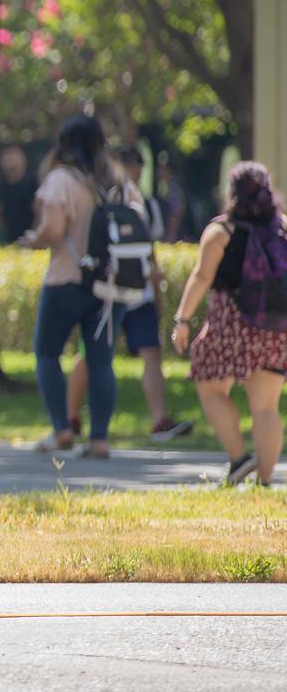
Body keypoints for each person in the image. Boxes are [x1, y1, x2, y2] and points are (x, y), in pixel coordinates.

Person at [64, 144, 193, 444]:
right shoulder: (97, 199)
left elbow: (149, 249)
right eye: (133, 164)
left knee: (149, 352)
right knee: (90, 355)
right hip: (107, 291)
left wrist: (156, 291)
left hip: (139, 293)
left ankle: (159, 420)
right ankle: (70, 419)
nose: (137, 171)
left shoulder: (144, 205)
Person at [168, 161, 287, 486]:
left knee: (209, 383)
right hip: (275, 326)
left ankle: (238, 458)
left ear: (232, 192)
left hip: (230, 324)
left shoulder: (221, 231)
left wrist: (182, 319)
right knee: (265, 406)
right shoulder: (282, 228)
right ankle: (264, 481)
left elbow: (203, 276)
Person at [22, 114, 119, 457]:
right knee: (100, 361)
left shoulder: (61, 179)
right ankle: (100, 438)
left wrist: (32, 239)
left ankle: (62, 428)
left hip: (67, 278)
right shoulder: (113, 179)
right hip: (108, 285)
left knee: (47, 352)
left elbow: (52, 230)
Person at [0, 143, 38, 245]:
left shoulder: (34, 183)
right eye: (6, 154)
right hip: (9, 242)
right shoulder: (1, 185)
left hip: (32, 242)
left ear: (23, 158)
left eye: (14, 153)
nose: (10, 158)